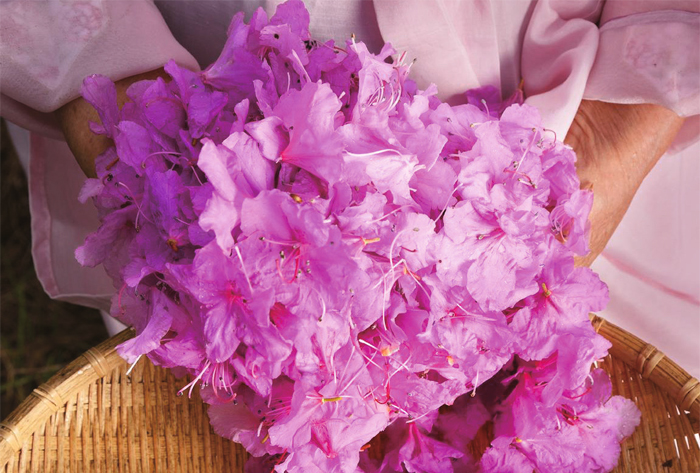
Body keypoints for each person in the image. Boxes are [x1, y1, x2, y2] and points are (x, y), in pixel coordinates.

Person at [2, 0, 699, 375]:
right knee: (237, 372)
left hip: (566, 99)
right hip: (211, 116)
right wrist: (119, 94)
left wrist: (620, 126)